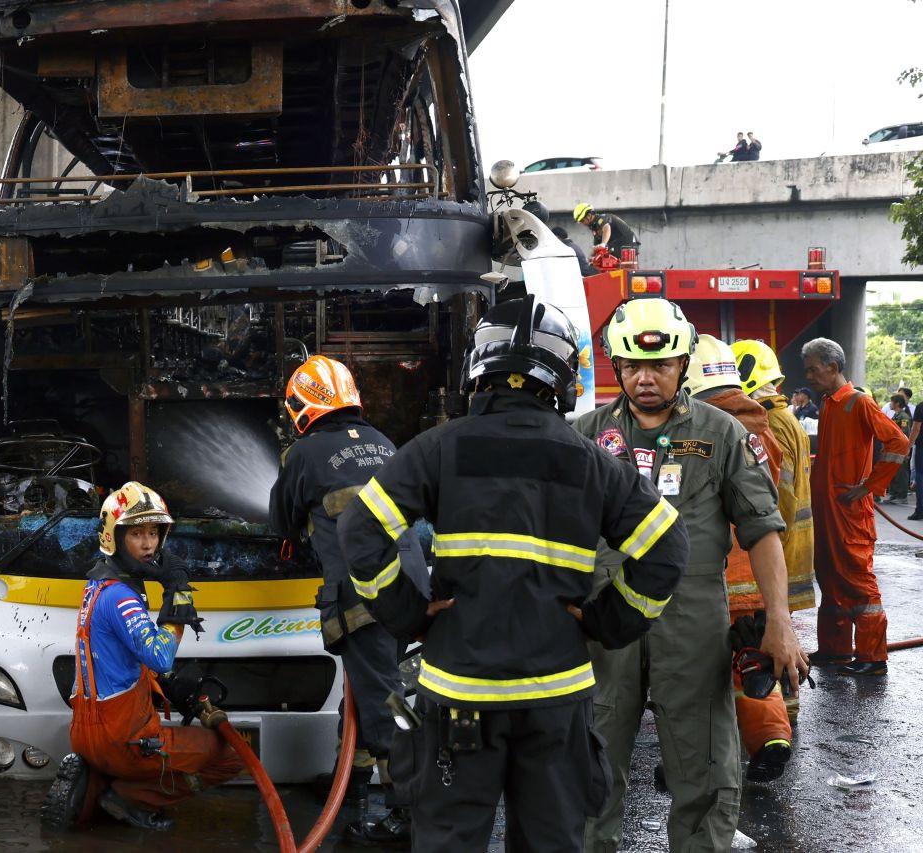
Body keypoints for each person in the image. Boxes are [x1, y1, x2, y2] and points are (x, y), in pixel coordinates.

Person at [338, 295, 689, 852]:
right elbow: (667, 548)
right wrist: (606, 621)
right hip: (556, 694)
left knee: (449, 840)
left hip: (458, 693)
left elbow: (360, 530)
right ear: (563, 377)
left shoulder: (438, 449)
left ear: (478, 370)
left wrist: (408, 611)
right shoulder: (594, 462)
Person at [574, 298, 806, 853]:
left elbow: (762, 530)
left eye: (659, 365)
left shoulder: (724, 433)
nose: (644, 378)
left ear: (683, 363)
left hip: (695, 618)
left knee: (705, 770)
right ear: (616, 366)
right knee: (590, 769)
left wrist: (780, 622)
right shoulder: (584, 436)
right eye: (630, 366)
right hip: (607, 620)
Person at [269, 354, 417, 846]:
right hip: (409, 593)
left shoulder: (305, 455)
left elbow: (281, 520)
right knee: (367, 694)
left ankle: (407, 815)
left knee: (381, 707)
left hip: (362, 600)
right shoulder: (383, 444)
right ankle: (348, 787)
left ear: (301, 406)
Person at [41, 482, 240, 832]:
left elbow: (122, 657)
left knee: (119, 759)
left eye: (153, 533)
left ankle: (95, 788)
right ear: (113, 538)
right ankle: (132, 799)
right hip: (124, 739)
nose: (149, 544)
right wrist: (178, 597)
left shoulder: (97, 587)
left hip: (87, 734)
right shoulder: (123, 598)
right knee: (231, 757)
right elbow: (160, 656)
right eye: (136, 534)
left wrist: (170, 688)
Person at [685, 336, 793, 784]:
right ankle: (771, 737)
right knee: (752, 660)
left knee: (698, 671)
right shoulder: (762, 425)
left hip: (712, 574)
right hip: (759, 570)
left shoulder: (698, 430)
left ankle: (693, 760)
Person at [803, 338, 909, 676]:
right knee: (831, 577)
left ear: (833, 368)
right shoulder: (829, 403)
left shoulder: (857, 402)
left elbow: (899, 442)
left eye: (812, 369)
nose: (808, 376)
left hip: (849, 513)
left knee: (859, 582)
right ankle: (835, 650)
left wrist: (869, 486)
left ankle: (872, 657)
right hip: (827, 509)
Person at [732, 337, 816, 724]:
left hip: (777, 546)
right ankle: (788, 710)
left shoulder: (768, 424)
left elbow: (768, 498)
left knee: (770, 635)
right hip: (791, 545)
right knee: (778, 633)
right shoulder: (787, 419)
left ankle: (782, 714)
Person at [572, 203, 639, 260]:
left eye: (582, 220)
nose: (582, 223)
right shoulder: (594, 227)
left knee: (606, 258)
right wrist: (589, 259)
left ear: (589, 216)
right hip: (619, 246)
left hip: (627, 245)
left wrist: (603, 244)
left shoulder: (601, 219)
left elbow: (606, 227)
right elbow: (596, 248)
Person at [887, 395, 913, 502]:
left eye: (892, 402)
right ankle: (894, 493)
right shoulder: (896, 416)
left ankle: (902, 495)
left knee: (901, 472)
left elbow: (905, 433)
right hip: (893, 448)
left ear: (897, 403)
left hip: (901, 448)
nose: (890, 404)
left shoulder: (904, 417)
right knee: (894, 471)